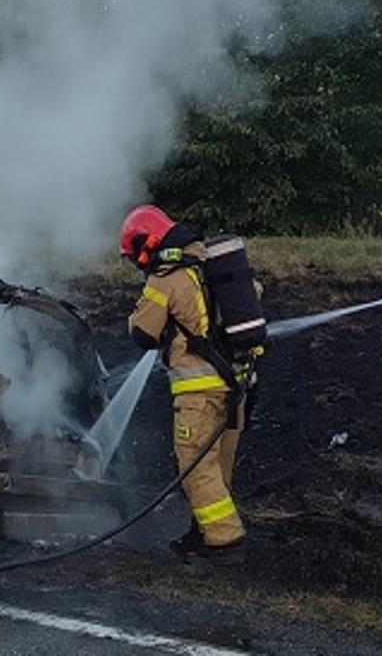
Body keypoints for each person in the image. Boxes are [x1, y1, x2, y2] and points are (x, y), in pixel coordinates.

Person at [119, 204, 247, 561]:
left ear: (146, 244)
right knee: (218, 467)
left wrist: (138, 312)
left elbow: (143, 333)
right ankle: (203, 531)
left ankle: (224, 540)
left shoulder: (166, 276)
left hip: (198, 395)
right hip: (234, 387)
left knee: (195, 466)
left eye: (135, 255)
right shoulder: (211, 264)